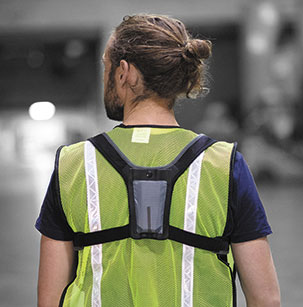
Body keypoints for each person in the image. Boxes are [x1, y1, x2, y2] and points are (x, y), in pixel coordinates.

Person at [36, 14, 280, 307]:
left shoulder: (72, 165)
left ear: (125, 72)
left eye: (106, 67)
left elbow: (49, 300)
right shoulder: (224, 164)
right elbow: (265, 298)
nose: (106, 77)